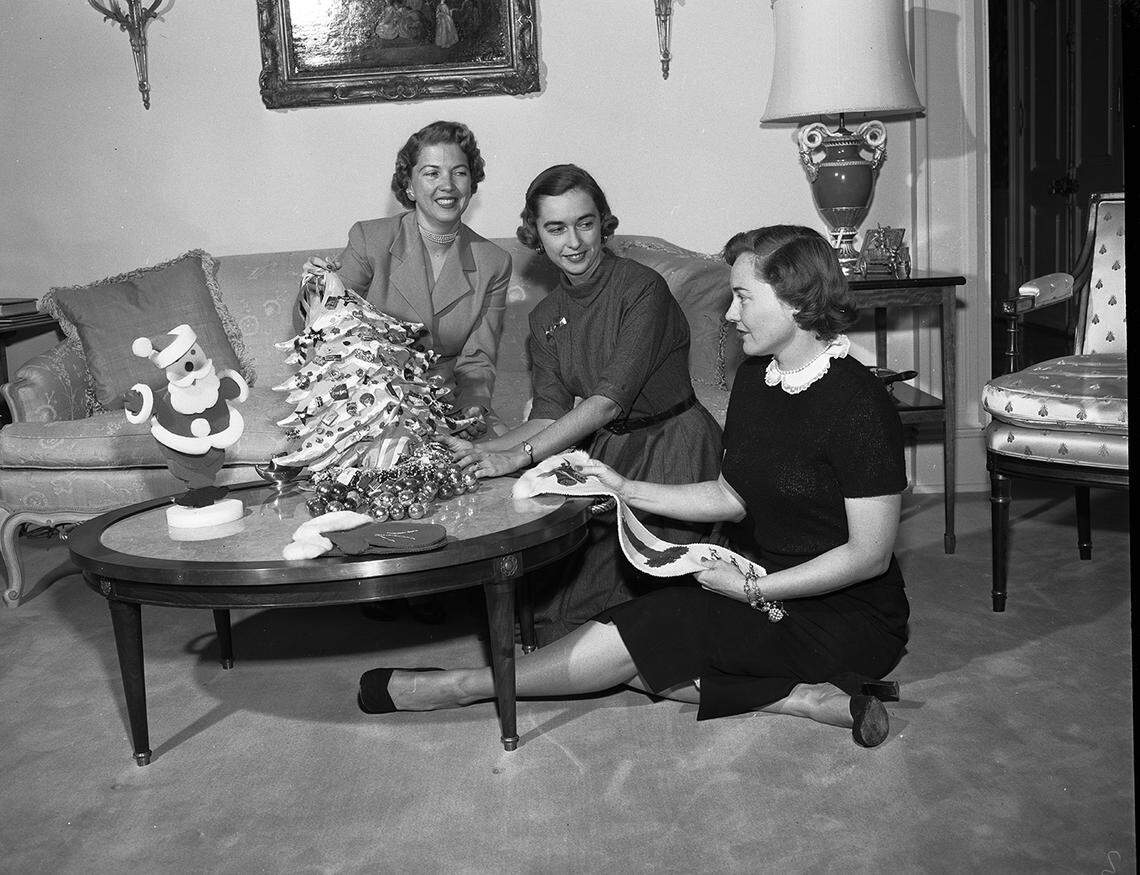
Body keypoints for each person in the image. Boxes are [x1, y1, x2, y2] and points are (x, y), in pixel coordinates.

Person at [359, 225, 910, 748]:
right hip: (758, 579)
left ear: (795, 301)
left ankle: (459, 687)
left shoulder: (859, 404)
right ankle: (801, 700)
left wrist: (753, 591)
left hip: (845, 614)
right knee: (640, 646)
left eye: (742, 297)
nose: (729, 314)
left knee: (642, 637)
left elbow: (868, 556)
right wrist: (623, 487)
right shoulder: (756, 380)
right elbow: (729, 496)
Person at [440, 164, 724, 646]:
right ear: (536, 234)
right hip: (608, 456)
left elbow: (608, 402)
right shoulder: (545, 317)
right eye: (556, 228)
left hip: (676, 452)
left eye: (584, 223)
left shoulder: (643, 289)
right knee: (546, 612)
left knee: (647, 611)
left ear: (602, 224)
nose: (573, 242)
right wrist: (482, 453)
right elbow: (547, 416)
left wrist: (516, 457)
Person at [298, 121, 512, 622]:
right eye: (431, 172)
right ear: (409, 184)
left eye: (459, 172)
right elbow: (325, 328)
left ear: (473, 182)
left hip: (442, 398)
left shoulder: (493, 261)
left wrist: (471, 413)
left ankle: (440, 577)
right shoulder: (370, 239)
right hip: (367, 397)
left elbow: (478, 359)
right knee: (388, 453)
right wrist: (315, 291)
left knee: (479, 457)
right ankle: (381, 576)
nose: (447, 185)